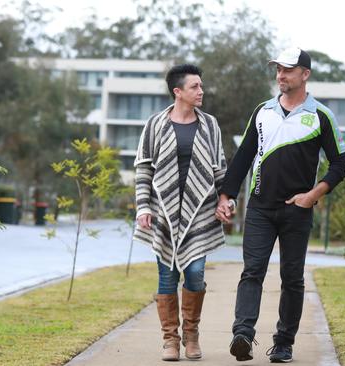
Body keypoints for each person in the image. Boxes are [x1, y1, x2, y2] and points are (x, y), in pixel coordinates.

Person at [216, 47, 345, 363]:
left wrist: (312, 196)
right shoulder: (262, 111)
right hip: (260, 208)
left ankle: (284, 343)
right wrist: (226, 195)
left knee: (292, 277)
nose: (281, 75)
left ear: (305, 74)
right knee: (252, 271)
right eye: (278, 69)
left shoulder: (320, 116)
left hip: (297, 210)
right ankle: (243, 336)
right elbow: (244, 156)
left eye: (288, 69)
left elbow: (340, 164)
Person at [133, 64, 227, 361]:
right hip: (163, 213)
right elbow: (144, 169)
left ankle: (192, 334)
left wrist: (227, 200)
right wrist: (143, 206)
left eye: (201, 86)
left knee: (196, 274)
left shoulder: (210, 125)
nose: (201, 91)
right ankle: (170, 341)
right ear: (178, 91)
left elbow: (220, 169)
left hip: (200, 213)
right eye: (195, 87)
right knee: (166, 277)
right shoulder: (156, 124)